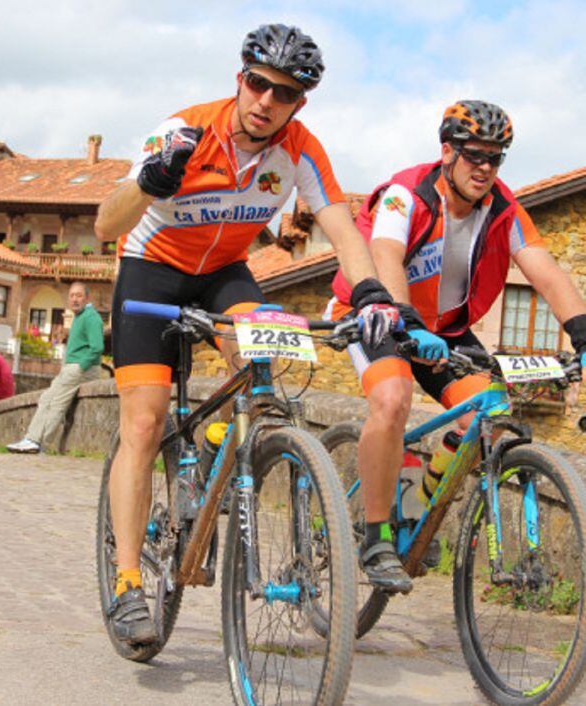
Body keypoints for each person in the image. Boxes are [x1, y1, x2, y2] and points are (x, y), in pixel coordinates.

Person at [92, 23, 398, 646]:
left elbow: (342, 229)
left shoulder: (302, 149)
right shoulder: (182, 131)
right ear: (240, 78)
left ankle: (214, 440)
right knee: (145, 423)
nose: (266, 100)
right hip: (151, 269)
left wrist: (369, 292)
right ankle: (127, 582)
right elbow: (105, 224)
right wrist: (151, 181)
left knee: (267, 365)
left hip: (224, 272)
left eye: (283, 93)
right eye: (258, 83)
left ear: (299, 103)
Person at [326, 100, 586, 594]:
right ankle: (375, 536)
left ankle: (416, 500)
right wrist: (407, 321)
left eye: (496, 157)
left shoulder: (504, 208)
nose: (485, 167)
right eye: (474, 155)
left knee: (491, 418)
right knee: (392, 399)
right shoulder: (406, 193)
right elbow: (386, 253)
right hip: (378, 313)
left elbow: (543, 269)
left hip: (448, 329)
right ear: (447, 152)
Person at [7, 282, 104, 453]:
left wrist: (81, 366)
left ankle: (37, 441)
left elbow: (97, 347)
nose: (74, 299)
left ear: (87, 298)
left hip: (81, 368)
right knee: (46, 398)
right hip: (73, 367)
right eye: (72, 296)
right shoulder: (81, 316)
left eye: (79, 295)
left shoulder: (90, 317)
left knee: (56, 402)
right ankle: (34, 439)